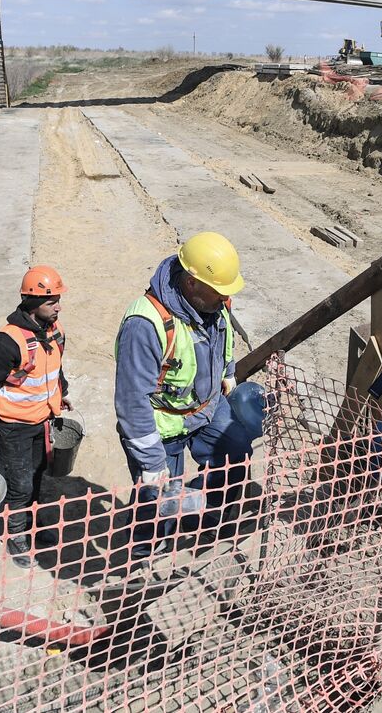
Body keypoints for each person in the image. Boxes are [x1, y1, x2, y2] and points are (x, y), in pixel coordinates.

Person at [114, 232, 265, 559]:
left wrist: (227, 374)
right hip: (162, 425)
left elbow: (223, 340)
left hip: (208, 406)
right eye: (219, 291)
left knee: (235, 451)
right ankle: (145, 548)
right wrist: (151, 459)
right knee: (156, 497)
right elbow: (130, 401)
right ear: (192, 282)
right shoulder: (145, 324)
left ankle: (216, 516)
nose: (224, 299)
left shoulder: (215, 301)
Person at [0, 265, 71, 569]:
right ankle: (16, 535)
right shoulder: (7, 342)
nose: (58, 306)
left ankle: (35, 526)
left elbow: (54, 366)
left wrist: (61, 392)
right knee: (21, 484)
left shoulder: (56, 331)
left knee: (40, 474)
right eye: (50, 301)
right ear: (30, 302)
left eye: (58, 299)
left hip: (42, 419)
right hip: (13, 426)